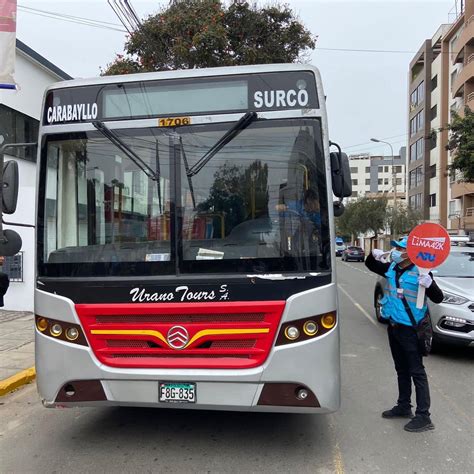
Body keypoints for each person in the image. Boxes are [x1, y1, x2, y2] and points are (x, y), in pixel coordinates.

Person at [365, 236, 444, 433]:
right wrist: (374, 256)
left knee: (417, 371)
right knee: (401, 369)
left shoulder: (422, 272)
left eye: (400, 249)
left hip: (411, 329)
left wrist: (429, 284)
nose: (396, 252)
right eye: (396, 249)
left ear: (411, 252)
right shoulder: (392, 268)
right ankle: (403, 406)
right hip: (394, 326)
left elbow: (438, 297)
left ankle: (424, 416)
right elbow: (370, 265)